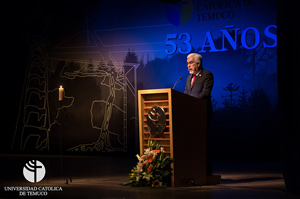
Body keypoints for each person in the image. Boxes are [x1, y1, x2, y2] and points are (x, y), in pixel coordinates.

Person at [184, 53, 214, 175]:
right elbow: (185, 93)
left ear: (198, 63)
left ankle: (206, 172)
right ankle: (193, 170)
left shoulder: (207, 75)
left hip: (202, 114)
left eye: (191, 63)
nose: (188, 66)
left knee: (202, 144)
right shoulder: (188, 78)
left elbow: (206, 93)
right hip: (190, 115)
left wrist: (192, 102)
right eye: (187, 64)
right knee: (191, 144)